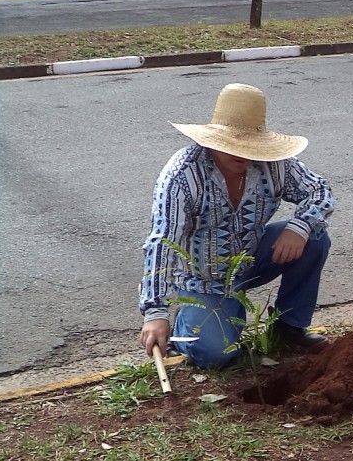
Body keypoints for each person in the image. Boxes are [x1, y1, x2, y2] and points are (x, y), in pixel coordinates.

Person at [138, 83, 334, 368]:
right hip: (202, 279)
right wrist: (155, 313)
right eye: (232, 145)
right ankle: (186, 325)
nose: (241, 154)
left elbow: (319, 190)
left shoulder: (275, 164)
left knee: (315, 238)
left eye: (249, 146)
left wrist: (299, 227)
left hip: (252, 257)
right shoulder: (182, 175)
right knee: (216, 354)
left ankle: (289, 326)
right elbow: (162, 239)